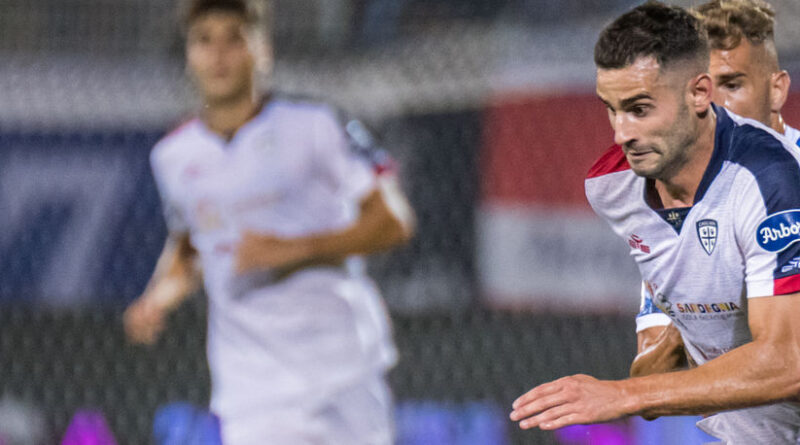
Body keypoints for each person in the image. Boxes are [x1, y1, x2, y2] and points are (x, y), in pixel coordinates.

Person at [122, 0, 416, 443]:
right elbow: (191, 246)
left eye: (234, 38)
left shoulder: (316, 125)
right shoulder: (173, 157)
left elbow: (393, 222)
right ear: (189, 54)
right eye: (204, 40)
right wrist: (158, 298)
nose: (218, 54)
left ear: (263, 50)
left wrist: (292, 250)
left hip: (343, 368)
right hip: (254, 390)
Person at [509, 3, 800, 443]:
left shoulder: (767, 177)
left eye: (640, 109)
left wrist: (623, 395)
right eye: (611, 109)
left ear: (698, 94)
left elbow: (788, 363)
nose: (620, 133)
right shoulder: (614, 186)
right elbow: (654, 366)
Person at [632, 0, 800, 379]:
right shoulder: (673, 203)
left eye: (732, 84)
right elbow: (650, 384)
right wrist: (700, 305)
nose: (715, 104)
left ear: (776, 91)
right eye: (699, 88)